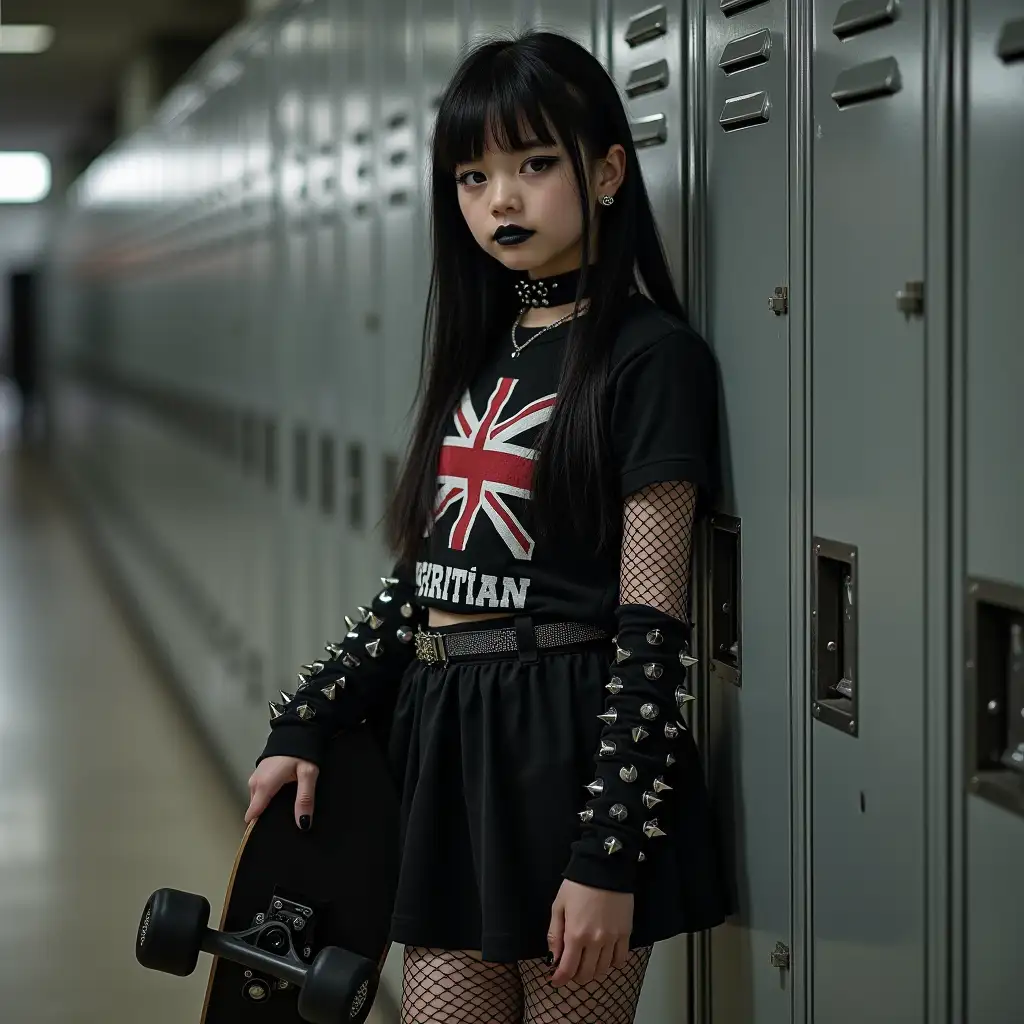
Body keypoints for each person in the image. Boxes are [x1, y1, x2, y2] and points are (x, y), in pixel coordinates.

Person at [245, 29, 728, 1024]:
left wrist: (607, 853)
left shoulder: (651, 359)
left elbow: (649, 630)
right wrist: (309, 716)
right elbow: (425, 581)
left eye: (534, 164)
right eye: (472, 176)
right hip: (450, 747)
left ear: (604, 174)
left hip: (566, 750)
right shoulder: (483, 351)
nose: (500, 199)